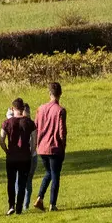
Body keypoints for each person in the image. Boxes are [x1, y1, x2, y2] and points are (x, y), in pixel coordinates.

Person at [33, 81, 67, 211]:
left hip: (42, 147)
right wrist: (63, 146)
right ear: (60, 93)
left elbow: (36, 127)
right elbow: (62, 131)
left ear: (49, 93)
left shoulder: (40, 109)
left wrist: (36, 143)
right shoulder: (60, 110)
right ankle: (53, 204)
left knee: (49, 172)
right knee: (55, 175)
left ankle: (40, 198)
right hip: (54, 147)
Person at [0, 97, 36, 214]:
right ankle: (19, 206)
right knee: (22, 182)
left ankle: (11, 205)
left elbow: (1, 140)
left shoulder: (6, 123)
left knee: (11, 181)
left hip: (12, 157)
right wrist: (31, 152)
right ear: (23, 108)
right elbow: (34, 140)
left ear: (12, 108)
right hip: (25, 156)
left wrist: (6, 150)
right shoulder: (30, 123)